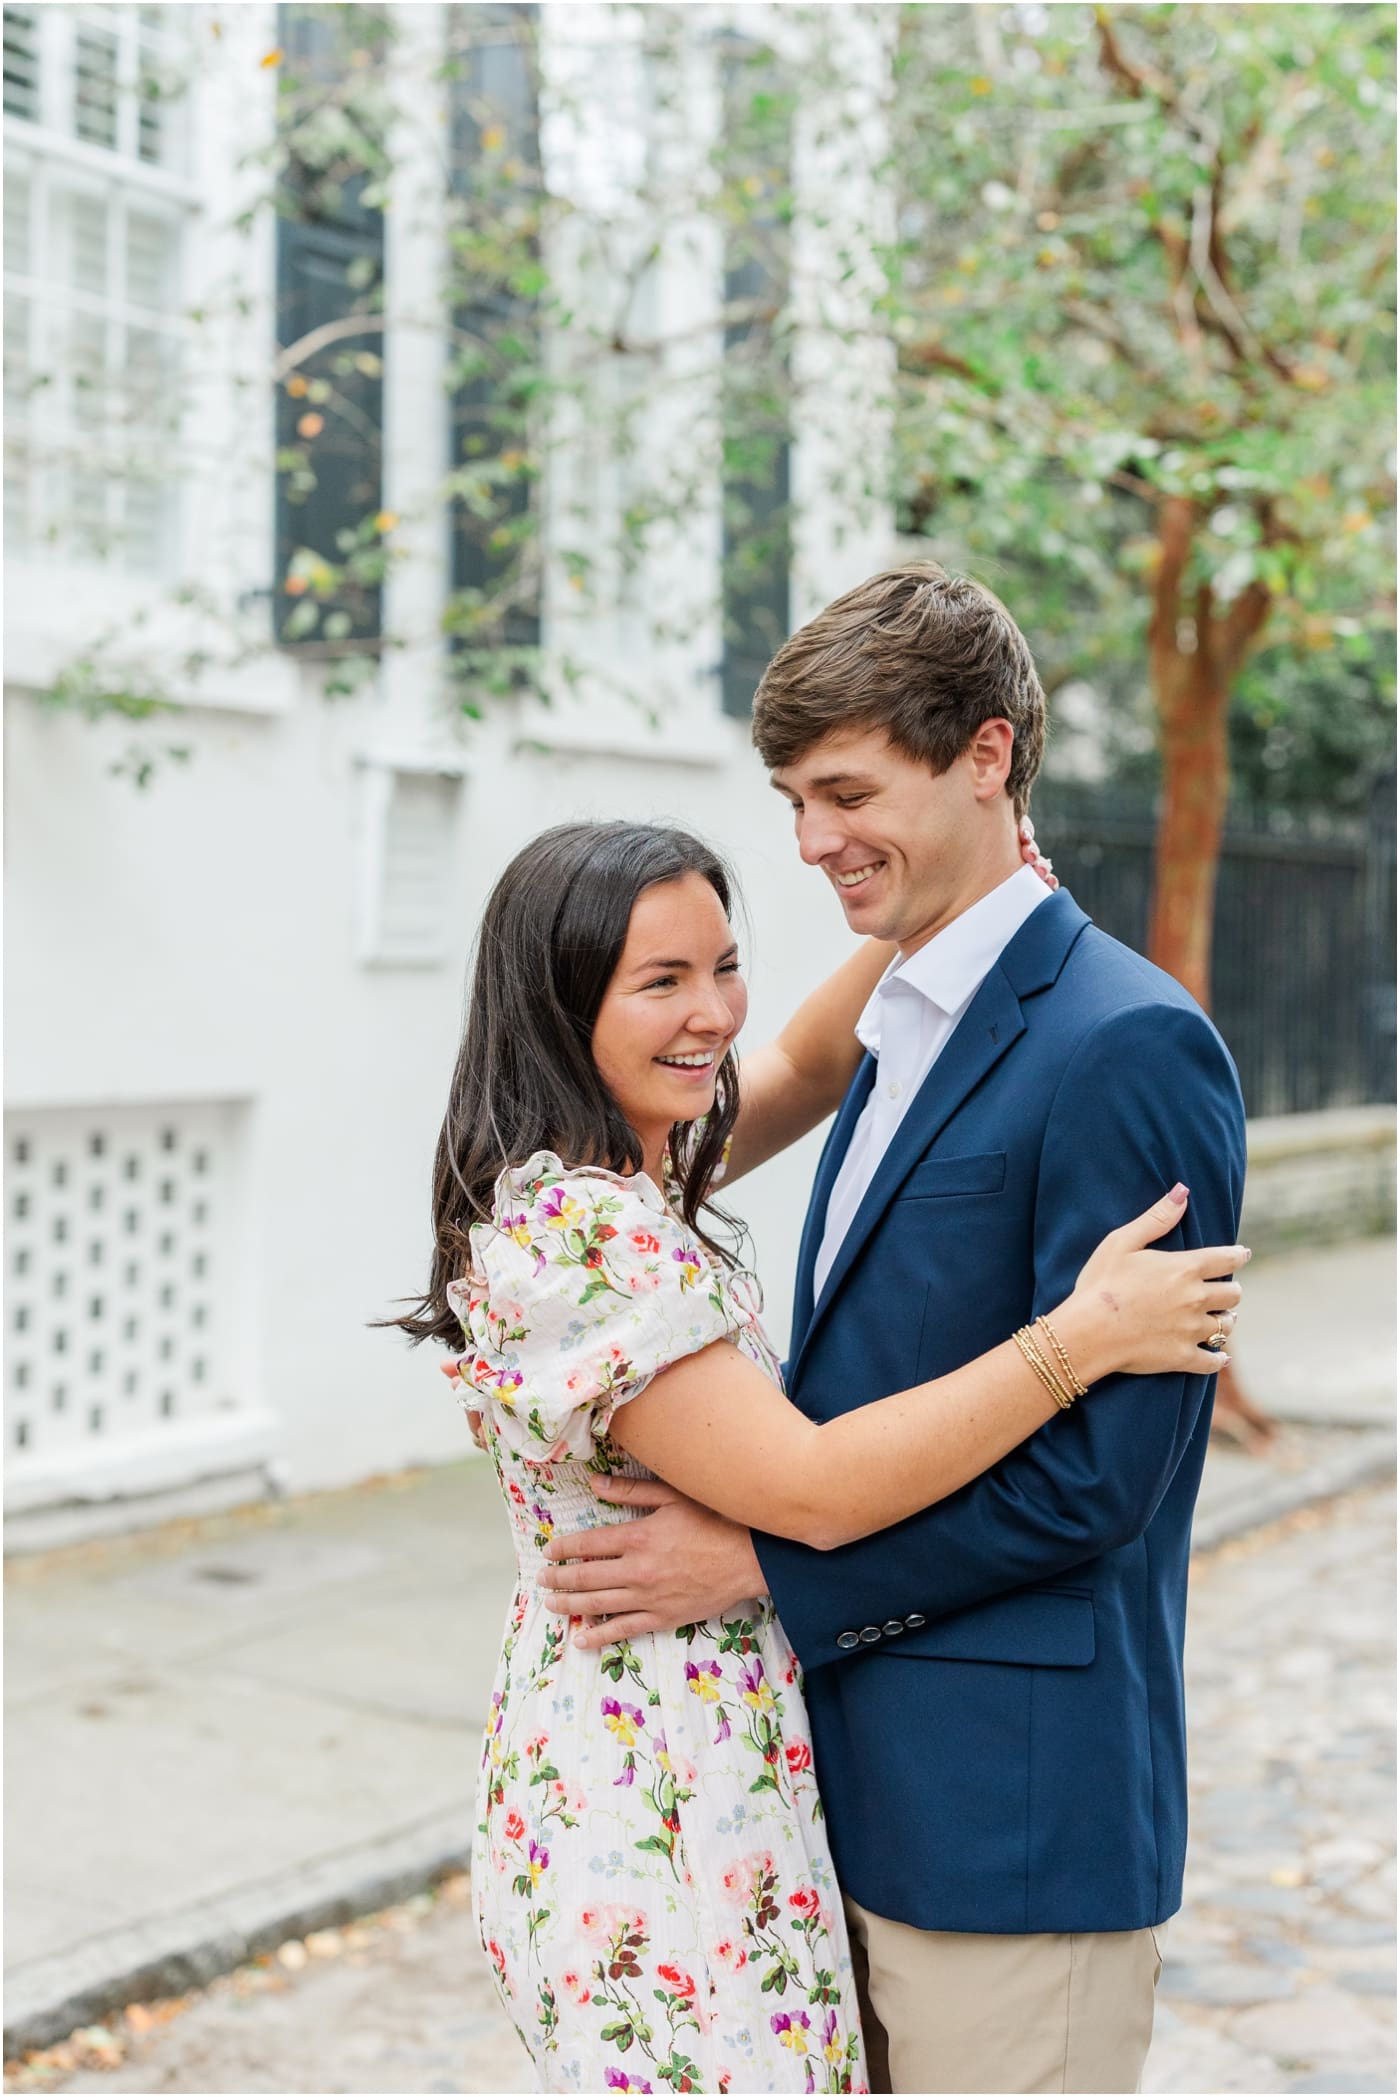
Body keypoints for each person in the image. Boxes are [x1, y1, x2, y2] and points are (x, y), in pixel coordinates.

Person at [388, 807, 1245, 2094]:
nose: (713, 1012)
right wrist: (1077, 1338)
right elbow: (815, 1490)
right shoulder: (584, 1231)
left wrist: (963, 900)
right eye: (660, 981)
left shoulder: (615, 1170)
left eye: (724, 965)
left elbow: (789, 1064)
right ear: (562, 1006)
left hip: (699, 1752)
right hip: (658, 1788)